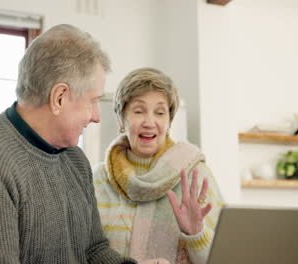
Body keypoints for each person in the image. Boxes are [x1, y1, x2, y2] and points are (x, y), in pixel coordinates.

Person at [0, 24, 140, 264]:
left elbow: (93, 251)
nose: (97, 116)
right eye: (93, 101)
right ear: (59, 97)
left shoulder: (75, 160)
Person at [93, 67, 224, 264]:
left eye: (160, 112)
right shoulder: (98, 180)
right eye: (139, 111)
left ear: (169, 121)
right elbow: (82, 255)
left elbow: (225, 257)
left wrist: (196, 234)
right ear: (121, 119)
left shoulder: (195, 176)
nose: (149, 122)